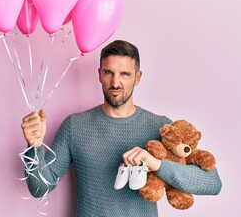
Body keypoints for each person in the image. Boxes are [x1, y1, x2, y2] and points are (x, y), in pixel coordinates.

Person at [21, 40, 222, 217]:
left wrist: (156, 164)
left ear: (138, 77)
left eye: (125, 74)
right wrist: (34, 147)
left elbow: (213, 182)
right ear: (100, 74)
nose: (115, 82)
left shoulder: (162, 128)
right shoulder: (75, 125)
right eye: (109, 72)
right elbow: (40, 188)